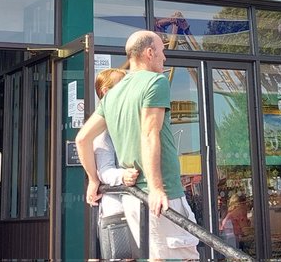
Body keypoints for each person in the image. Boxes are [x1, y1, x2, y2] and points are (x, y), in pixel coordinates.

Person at [77, 30, 200, 261]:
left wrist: (93, 180)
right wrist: (156, 188)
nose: (165, 59)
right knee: (187, 256)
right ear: (149, 53)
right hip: (162, 193)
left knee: (156, 256)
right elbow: (149, 132)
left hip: (133, 198)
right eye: (162, 52)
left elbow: (82, 139)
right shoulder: (156, 81)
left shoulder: (113, 95)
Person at [93, 68, 140, 260]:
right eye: (123, 86)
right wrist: (123, 176)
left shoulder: (125, 123)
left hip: (135, 206)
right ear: (106, 91)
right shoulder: (103, 130)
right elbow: (104, 170)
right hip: (119, 210)